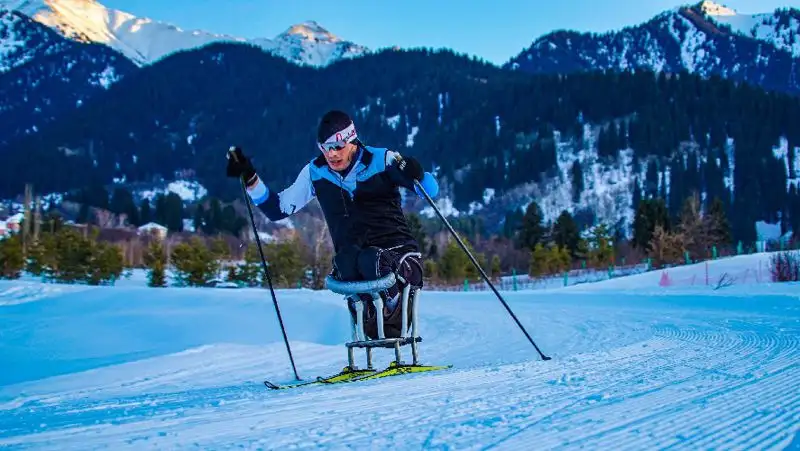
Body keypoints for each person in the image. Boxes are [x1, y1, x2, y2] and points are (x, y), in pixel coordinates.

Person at [226, 109, 439, 339]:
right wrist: (250, 179)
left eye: (337, 147)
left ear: (352, 140)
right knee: (346, 261)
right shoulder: (315, 172)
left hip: (400, 258)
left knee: (372, 259)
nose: (332, 154)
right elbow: (278, 209)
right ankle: (369, 329)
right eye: (325, 148)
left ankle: (394, 323)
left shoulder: (381, 160)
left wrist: (416, 171)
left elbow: (430, 191)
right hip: (356, 259)